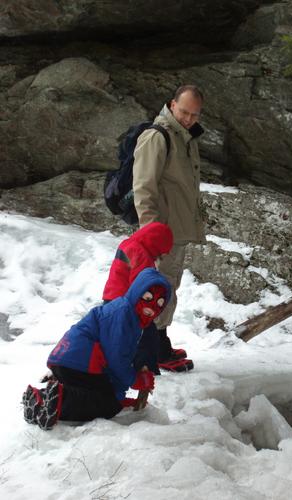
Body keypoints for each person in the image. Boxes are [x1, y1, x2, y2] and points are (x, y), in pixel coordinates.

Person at [22, 268, 171, 430]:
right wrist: (135, 381)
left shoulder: (130, 316)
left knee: (107, 398)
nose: (152, 306)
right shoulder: (123, 314)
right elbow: (117, 359)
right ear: (136, 293)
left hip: (70, 361)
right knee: (107, 404)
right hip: (78, 362)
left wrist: (119, 397)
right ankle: (48, 401)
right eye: (147, 298)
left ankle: (52, 396)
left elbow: (115, 361)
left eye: (159, 303)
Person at [132, 85, 206, 371]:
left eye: (194, 114)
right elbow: (143, 187)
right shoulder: (157, 136)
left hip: (175, 230)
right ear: (172, 104)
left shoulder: (185, 137)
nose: (188, 118)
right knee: (155, 289)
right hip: (161, 232)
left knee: (168, 286)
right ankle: (147, 354)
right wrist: (150, 234)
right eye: (184, 111)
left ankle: (158, 345)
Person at [102, 221, 188, 374]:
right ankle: (146, 371)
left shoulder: (128, 244)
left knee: (118, 335)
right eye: (162, 250)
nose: (163, 254)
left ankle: (116, 363)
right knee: (147, 338)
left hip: (111, 297)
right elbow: (141, 285)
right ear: (156, 243)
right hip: (126, 303)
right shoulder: (141, 255)